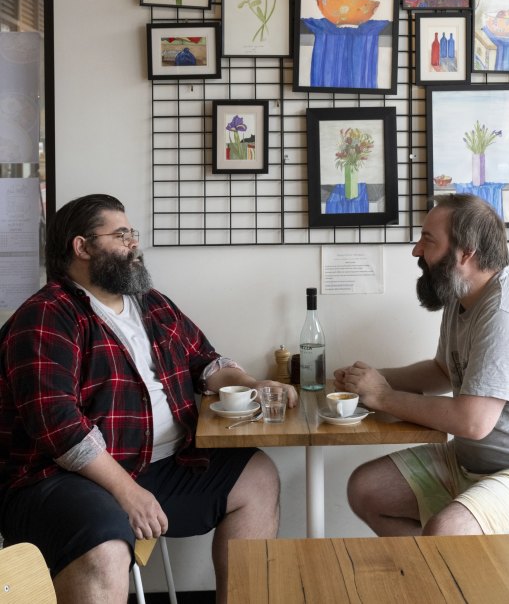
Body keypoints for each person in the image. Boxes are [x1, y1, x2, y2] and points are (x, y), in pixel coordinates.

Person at [0, 193, 297, 604]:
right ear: (82, 247)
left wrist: (251, 382)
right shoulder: (48, 314)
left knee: (257, 476)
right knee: (104, 545)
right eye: (121, 235)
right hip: (58, 482)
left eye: (132, 233)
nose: (133, 244)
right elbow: (59, 427)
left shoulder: (151, 304)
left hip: (153, 467)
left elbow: (205, 362)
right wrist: (126, 492)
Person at [335, 193, 509, 540]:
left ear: (466, 252)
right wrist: (368, 380)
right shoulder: (463, 294)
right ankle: (435, 585)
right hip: (478, 463)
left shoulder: (506, 314)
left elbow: (473, 421)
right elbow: (442, 371)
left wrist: (383, 396)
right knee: (367, 489)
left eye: (428, 239)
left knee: (448, 532)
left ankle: (449, 585)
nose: (416, 251)